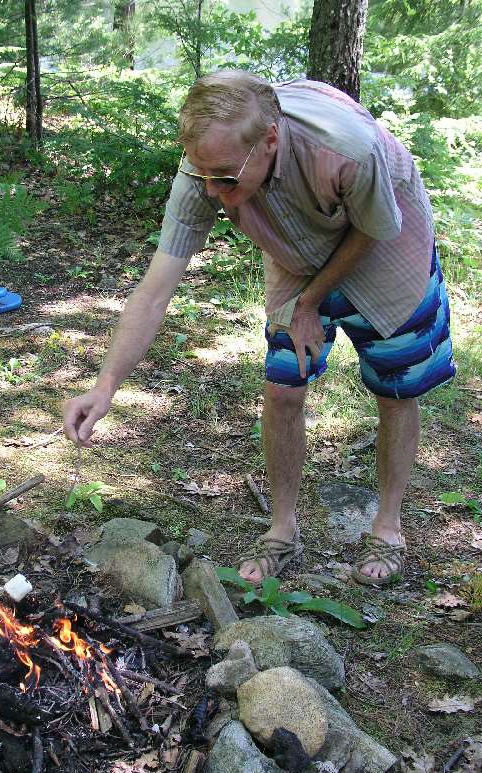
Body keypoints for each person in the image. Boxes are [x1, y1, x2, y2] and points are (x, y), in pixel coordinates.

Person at [63, 70, 456, 587]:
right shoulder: (209, 168)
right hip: (296, 250)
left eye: (226, 179)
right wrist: (105, 385)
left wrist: (310, 302)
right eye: (203, 175)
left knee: (396, 388)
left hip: (386, 244)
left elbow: (374, 229)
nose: (214, 193)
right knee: (282, 388)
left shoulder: (347, 149)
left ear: (270, 139)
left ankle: (388, 529)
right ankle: (282, 530)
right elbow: (156, 289)